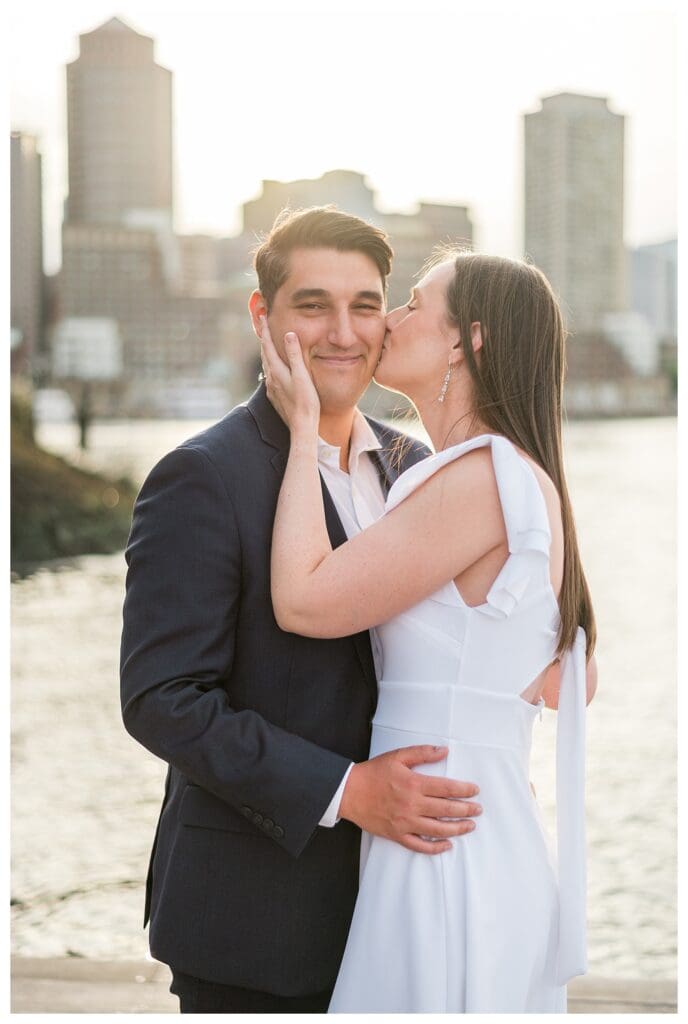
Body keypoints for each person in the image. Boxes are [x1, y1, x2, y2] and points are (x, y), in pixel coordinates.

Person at [119, 208, 483, 1014]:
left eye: (365, 306)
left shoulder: (416, 467)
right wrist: (347, 791)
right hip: (257, 923)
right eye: (314, 306)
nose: (343, 333)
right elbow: (162, 701)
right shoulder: (201, 476)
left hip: (407, 904)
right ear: (264, 315)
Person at [260, 247, 598, 1013]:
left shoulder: (481, 478)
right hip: (458, 820)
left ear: (465, 341)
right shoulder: (515, 476)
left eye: (414, 303)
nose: (391, 320)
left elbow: (303, 601)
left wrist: (304, 429)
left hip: (445, 844)